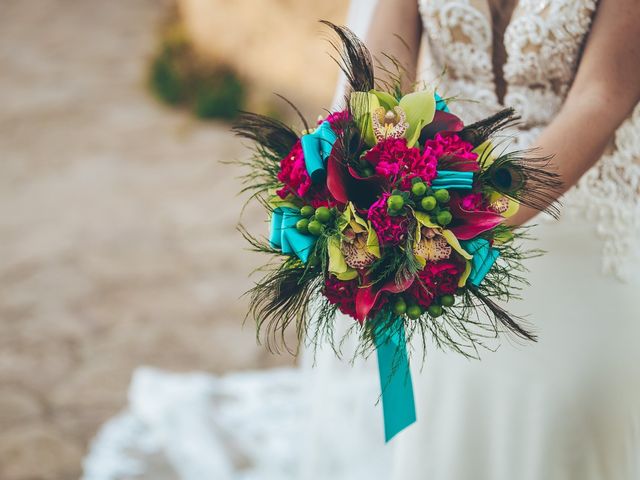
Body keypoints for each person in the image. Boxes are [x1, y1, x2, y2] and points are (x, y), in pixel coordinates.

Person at [83, 1, 640, 479]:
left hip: (585, 194)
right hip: (429, 180)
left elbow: (603, 96)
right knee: (428, 360)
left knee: (571, 387)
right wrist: (360, 176)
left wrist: (467, 218)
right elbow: (379, 72)